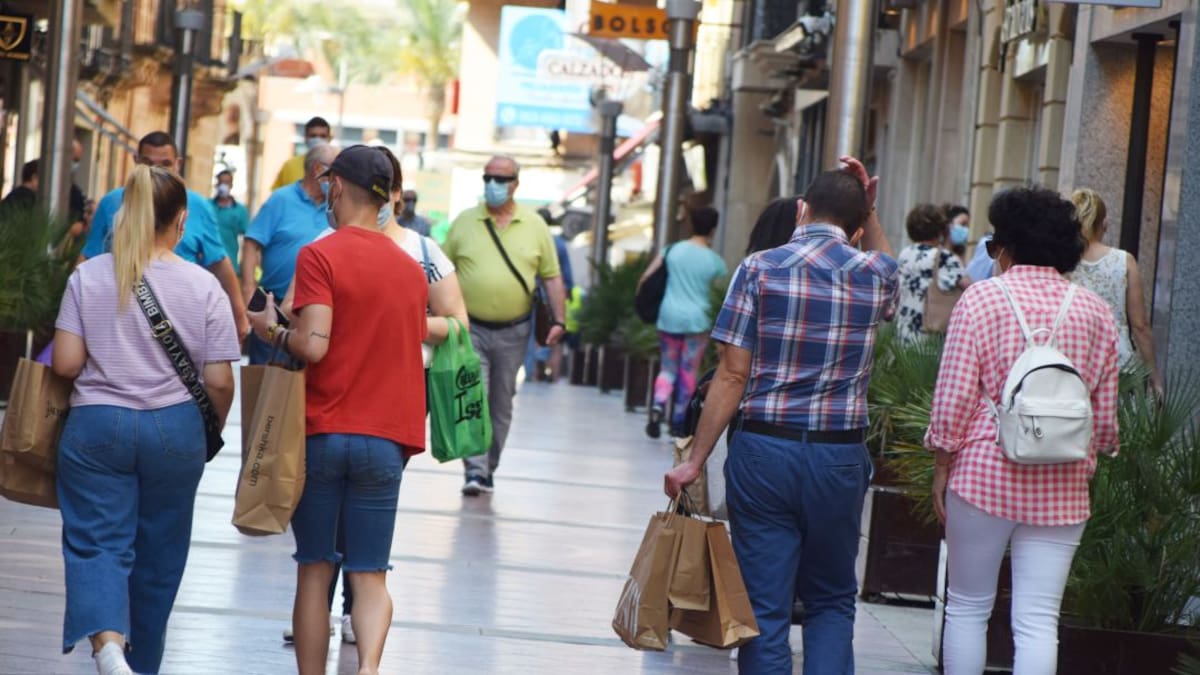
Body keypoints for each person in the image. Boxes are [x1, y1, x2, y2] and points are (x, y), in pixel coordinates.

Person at [666, 157, 897, 674]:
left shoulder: (759, 268)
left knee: (764, 609)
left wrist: (695, 460)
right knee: (832, 601)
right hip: (839, 457)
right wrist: (870, 208)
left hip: (764, 452)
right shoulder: (874, 272)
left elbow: (731, 375)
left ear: (800, 210)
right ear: (858, 225)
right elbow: (886, 257)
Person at [51, 165, 239, 675]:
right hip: (174, 429)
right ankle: (144, 665)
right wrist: (208, 432)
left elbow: (66, 363)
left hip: (96, 426)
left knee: (96, 542)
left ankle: (109, 647)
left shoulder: (88, 277)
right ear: (181, 222)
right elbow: (220, 381)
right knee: (159, 557)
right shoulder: (204, 287)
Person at [247, 145, 428, 675]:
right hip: (386, 440)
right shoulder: (411, 270)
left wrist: (273, 329)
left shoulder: (319, 255)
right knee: (371, 574)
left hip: (324, 433)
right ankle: (368, 669)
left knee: (314, 570)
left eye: (329, 185)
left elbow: (317, 343)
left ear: (340, 188)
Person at [926, 186, 1120, 674]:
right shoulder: (1095, 312)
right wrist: (1091, 459)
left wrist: (941, 466)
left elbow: (953, 399)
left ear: (1008, 246)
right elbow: (1105, 415)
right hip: (1063, 480)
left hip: (982, 473)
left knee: (968, 607)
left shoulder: (982, 301)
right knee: (1037, 619)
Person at [443, 155, 566, 496]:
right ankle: (476, 469)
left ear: (515, 184)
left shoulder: (535, 226)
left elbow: (552, 277)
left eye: (501, 178)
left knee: (502, 400)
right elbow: (442, 272)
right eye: (488, 178)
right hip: (471, 329)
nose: (493, 185)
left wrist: (560, 320)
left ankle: (489, 466)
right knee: (473, 396)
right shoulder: (465, 222)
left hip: (516, 330)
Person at [81, 131, 249, 341]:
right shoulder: (112, 202)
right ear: (136, 160)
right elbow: (89, 256)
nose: (156, 171)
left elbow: (218, 260)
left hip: (178, 320)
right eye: (148, 163)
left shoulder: (199, 207)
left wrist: (239, 314)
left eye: (165, 164)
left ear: (178, 164)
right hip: (120, 316)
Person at [242, 143, 339, 364]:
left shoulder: (335, 206)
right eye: (334, 171)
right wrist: (248, 290)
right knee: (266, 384)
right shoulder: (281, 199)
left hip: (315, 312)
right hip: (274, 306)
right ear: (317, 169)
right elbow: (251, 242)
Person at [639, 206, 728, 438]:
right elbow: (721, 295)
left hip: (669, 316)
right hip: (698, 320)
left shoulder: (672, 251)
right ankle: (679, 420)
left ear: (690, 224)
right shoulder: (716, 262)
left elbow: (646, 278)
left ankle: (658, 403)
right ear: (713, 229)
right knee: (688, 370)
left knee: (668, 368)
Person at [1069, 188, 1164, 396]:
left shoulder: (1063, 262)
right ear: (1104, 223)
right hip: (1117, 361)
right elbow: (1140, 325)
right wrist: (1155, 378)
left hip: (1070, 359)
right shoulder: (1123, 261)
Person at [893, 203, 969, 343]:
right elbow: (969, 287)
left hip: (902, 335)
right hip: (927, 340)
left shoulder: (905, 253)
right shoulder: (945, 258)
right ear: (940, 229)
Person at [271, 116, 332, 190]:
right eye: (313, 136)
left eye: (322, 136)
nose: (317, 140)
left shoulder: (335, 167)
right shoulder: (289, 166)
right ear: (305, 138)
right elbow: (277, 195)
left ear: (329, 138)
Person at [212, 170, 249, 273]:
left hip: (230, 265)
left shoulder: (240, 210)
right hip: (208, 265)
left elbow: (247, 239)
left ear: (231, 185)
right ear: (217, 184)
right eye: (221, 182)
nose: (223, 186)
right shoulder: (208, 207)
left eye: (226, 183)